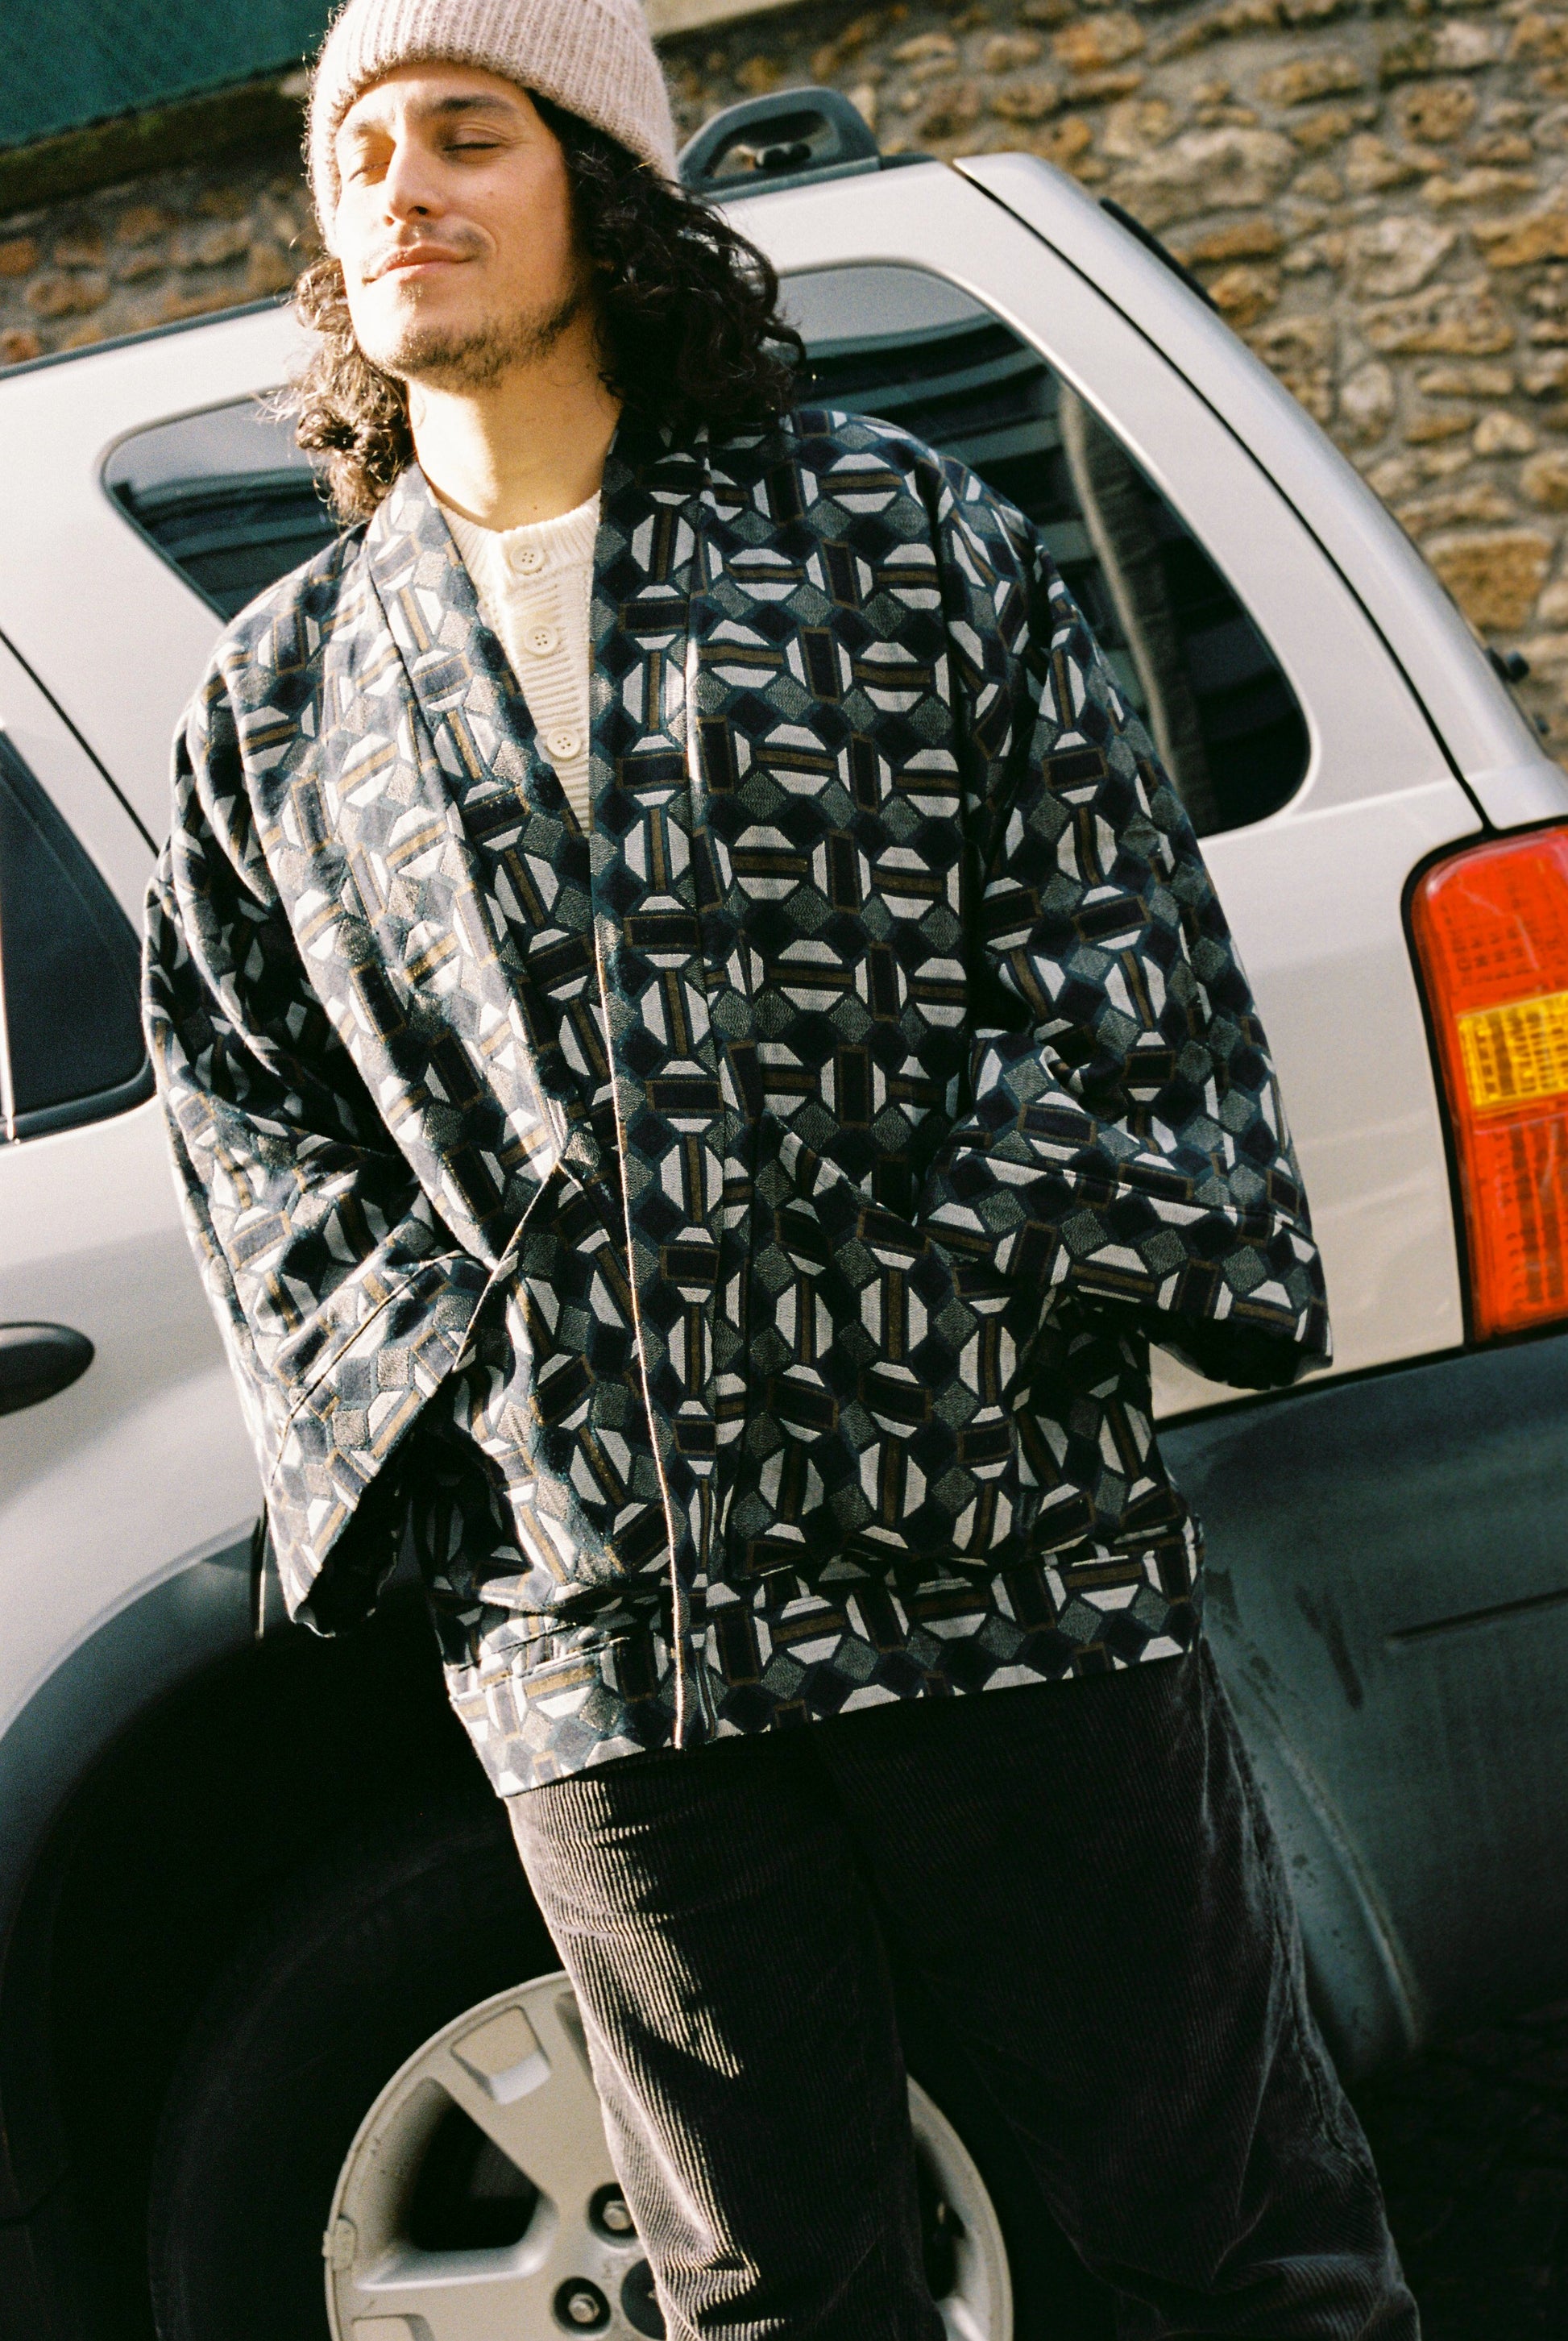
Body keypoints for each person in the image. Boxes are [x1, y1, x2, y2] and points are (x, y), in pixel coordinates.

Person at [142, 1, 1419, 2332]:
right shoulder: (285, 689)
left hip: (991, 1559)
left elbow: (1109, 926)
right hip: (601, 1644)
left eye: (467, 132)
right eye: (355, 155)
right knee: (766, 2291)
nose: (401, 186)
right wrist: (481, 1431)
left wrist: (964, 1300)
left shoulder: (893, 534)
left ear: (600, 188)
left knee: (1227, 2235)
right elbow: (249, 1116)